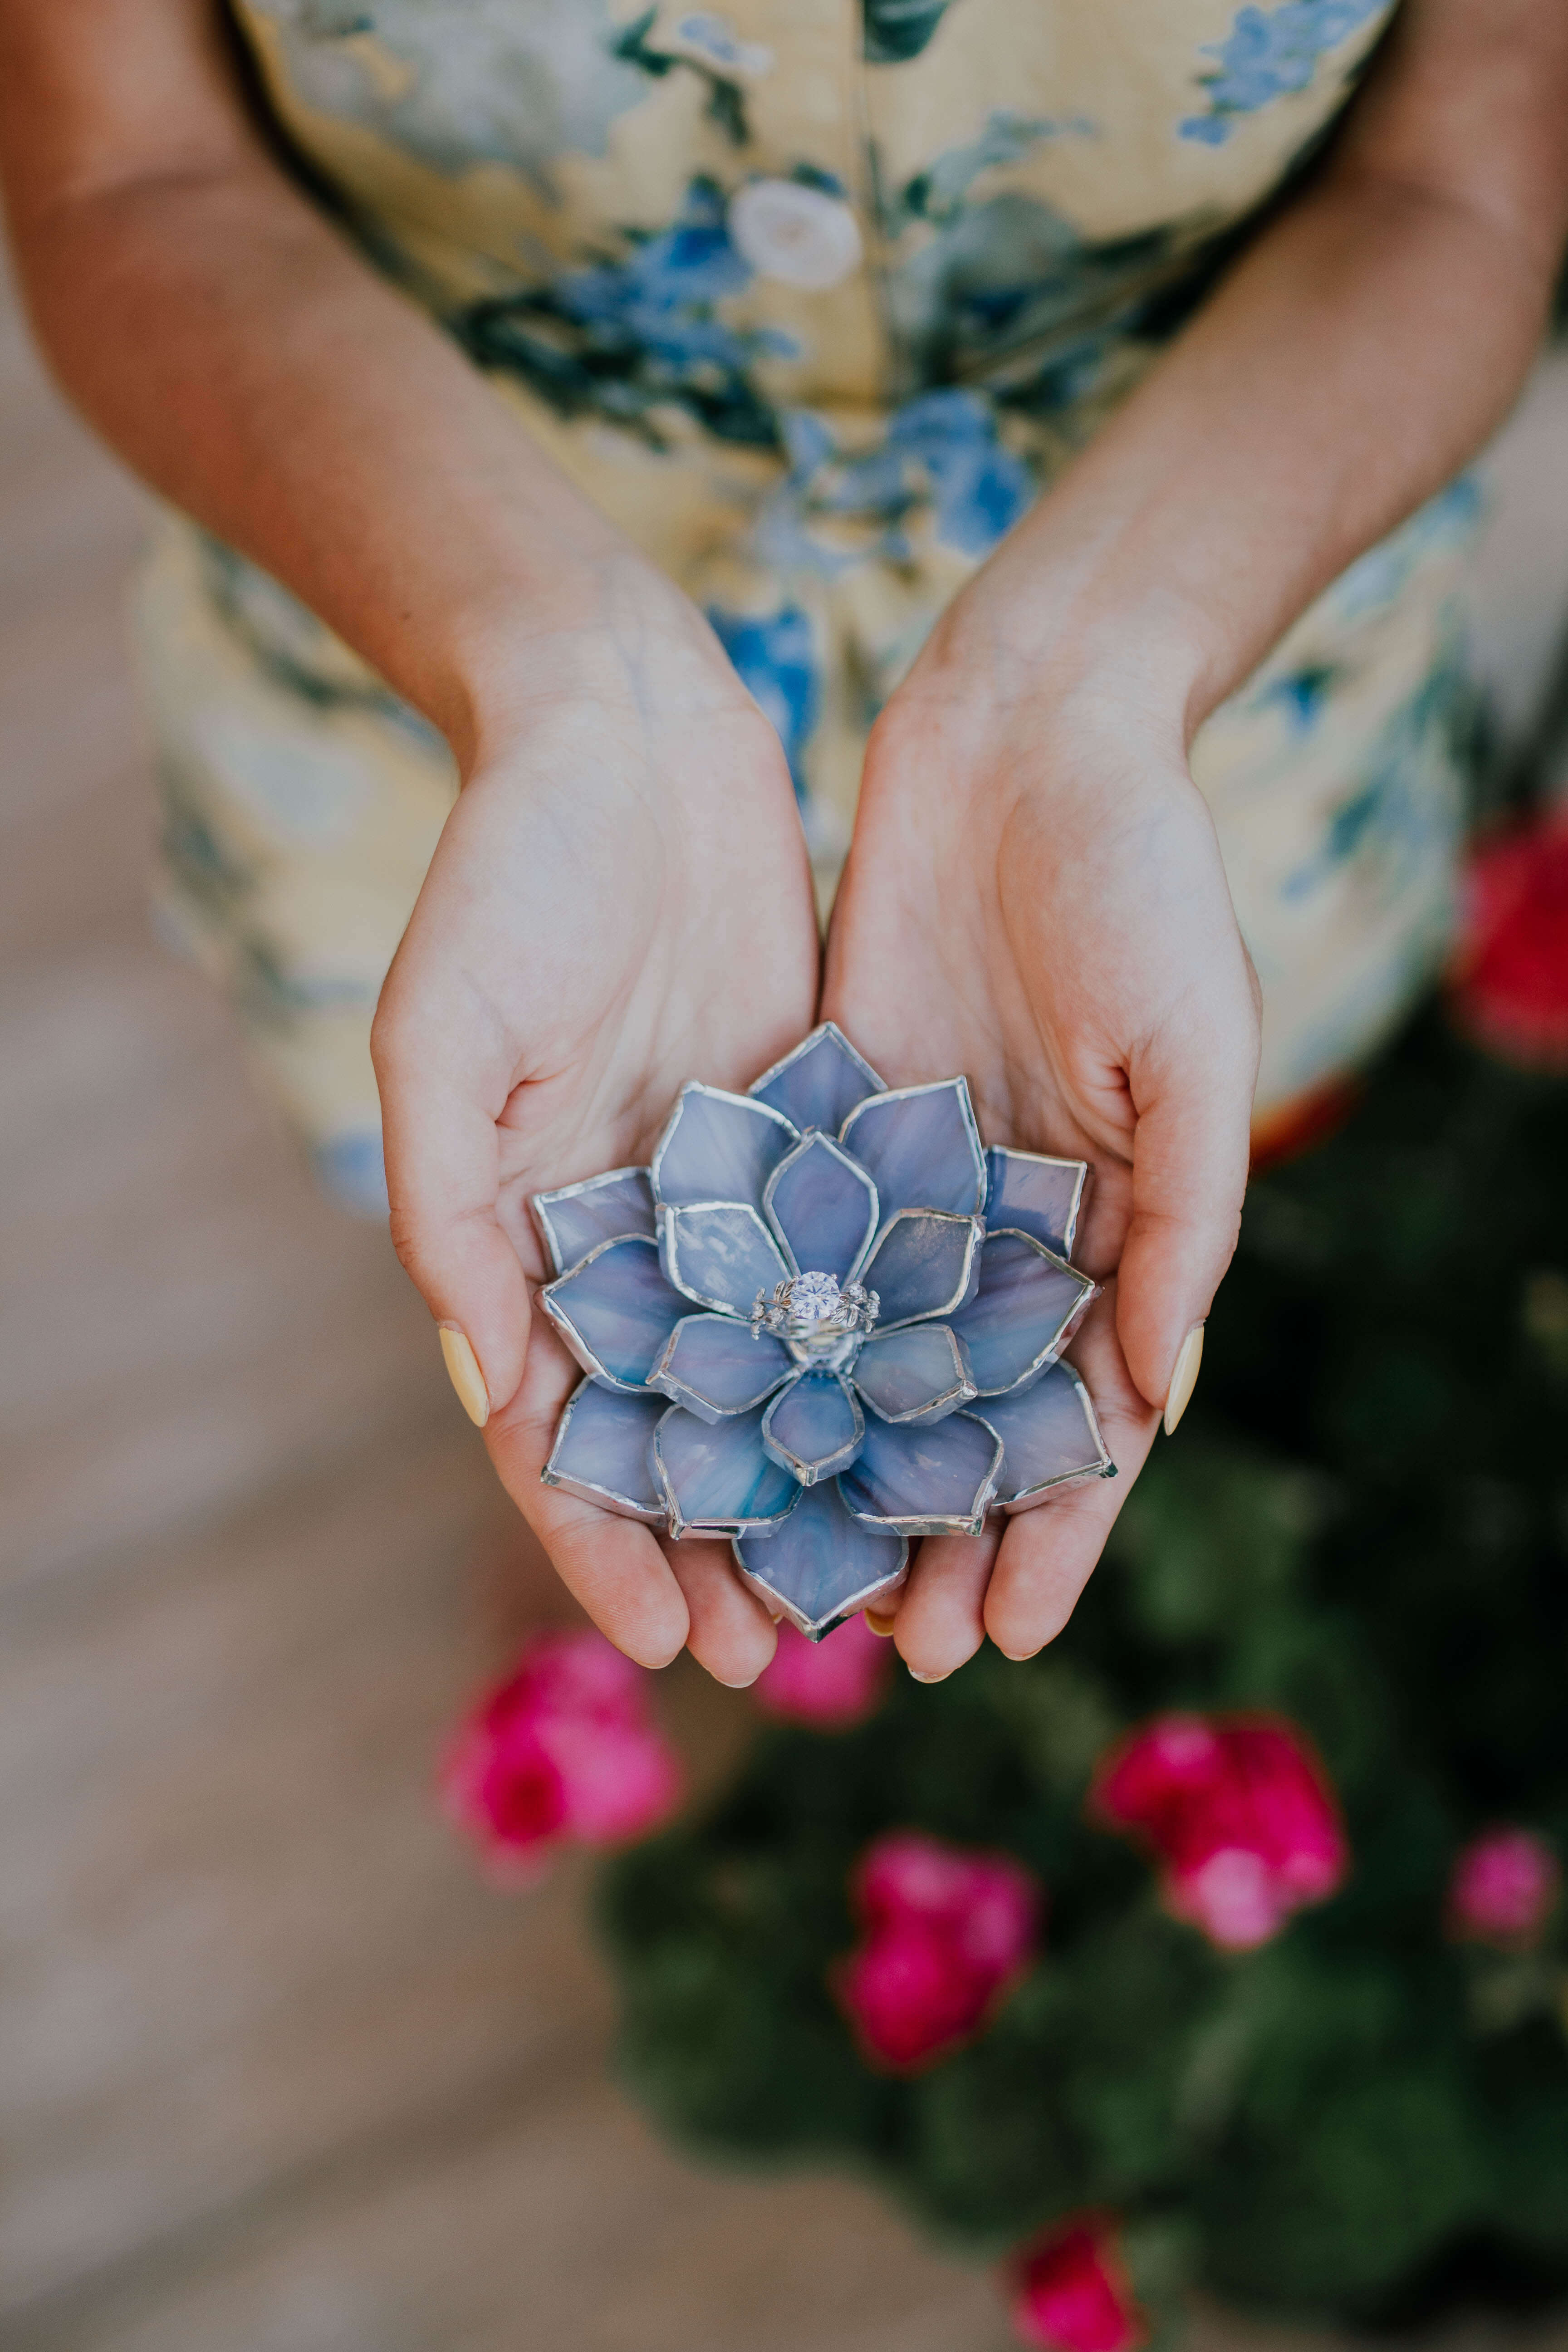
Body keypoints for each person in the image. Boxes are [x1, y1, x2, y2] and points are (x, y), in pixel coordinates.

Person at [4, 1, 1566, 1692]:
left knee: (1168, 1143)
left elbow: (1458, 176)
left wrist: (1097, 679)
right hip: (437, 677)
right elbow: (129, 171)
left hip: (1192, 688)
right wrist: (547, 673)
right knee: (502, 1162)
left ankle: (782, 1478)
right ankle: (653, 1457)